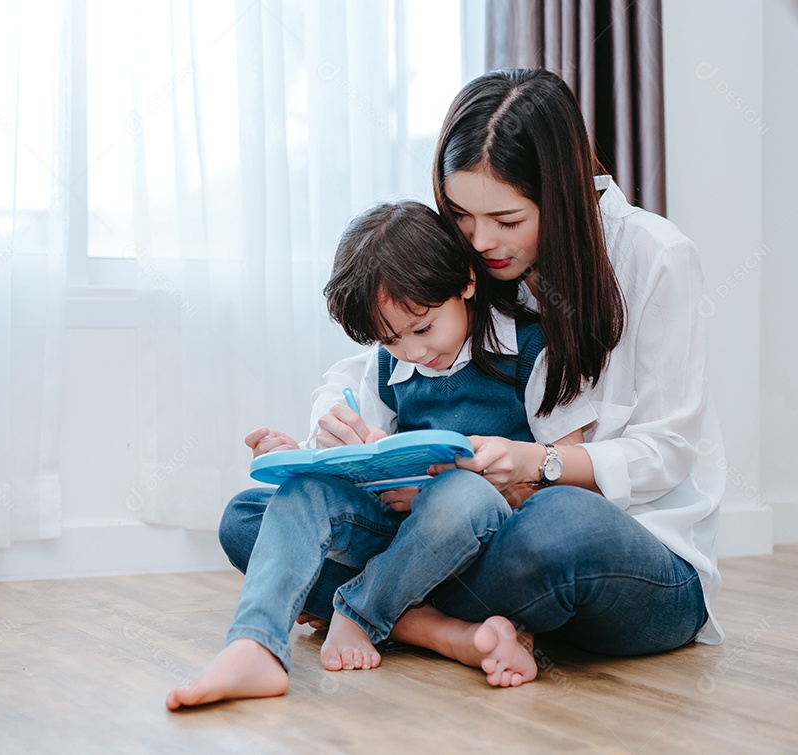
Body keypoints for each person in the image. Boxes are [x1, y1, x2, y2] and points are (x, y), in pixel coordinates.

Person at [218, 68, 724, 687]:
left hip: (625, 549)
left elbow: (666, 452)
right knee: (253, 515)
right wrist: (334, 432)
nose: (482, 242)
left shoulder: (655, 256)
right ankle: (439, 628)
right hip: (462, 534)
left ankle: (380, 608)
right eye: (460, 215)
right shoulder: (479, 259)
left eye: (508, 220)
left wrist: (536, 466)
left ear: (559, 197)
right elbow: (375, 360)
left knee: (555, 526)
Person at [166, 200, 593, 710]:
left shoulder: (533, 349)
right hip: (400, 540)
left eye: (423, 329)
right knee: (246, 515)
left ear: (465, 283)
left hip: (483, 542)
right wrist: (300, 457)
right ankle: (255, 644)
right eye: (390, 340)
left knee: (462, 495)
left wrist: (450, 486)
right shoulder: (386, 367)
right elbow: (363, 459)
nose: (411, 352)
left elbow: (567, 479)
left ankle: (360, 613)